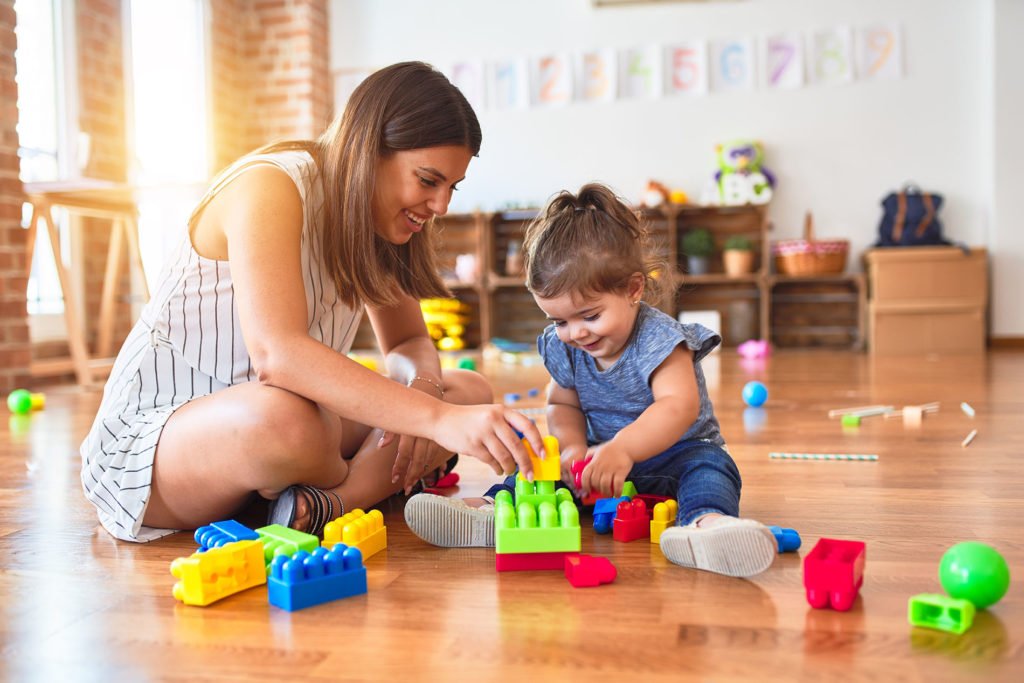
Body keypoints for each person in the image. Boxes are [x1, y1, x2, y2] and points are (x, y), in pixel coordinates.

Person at [80, 62, 543, 543]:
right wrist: (434, 422)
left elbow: (407, 340)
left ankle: (326, 505)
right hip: (160, 444)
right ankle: (351, 486)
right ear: (370, 150)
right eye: (428, 180)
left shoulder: (379, 220)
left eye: (451, 187)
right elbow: (278, 358)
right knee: (293, 423)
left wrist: (425, 393)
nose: (441, 206)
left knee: (465, 390)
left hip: (296, 427)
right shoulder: (269, 186)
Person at [404, 183, 776, 578]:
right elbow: (562, 404)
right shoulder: (565, 346)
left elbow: (678, 406)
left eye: (590, 316)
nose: (576, 333)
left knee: (711, 465)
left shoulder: (662, 340)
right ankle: (495, 512)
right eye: (560, 321)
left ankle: (705, 525)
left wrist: (625, 449)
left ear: (633, 289)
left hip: (673, 455)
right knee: (536, 468)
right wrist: (572, 449)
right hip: (598, 461)